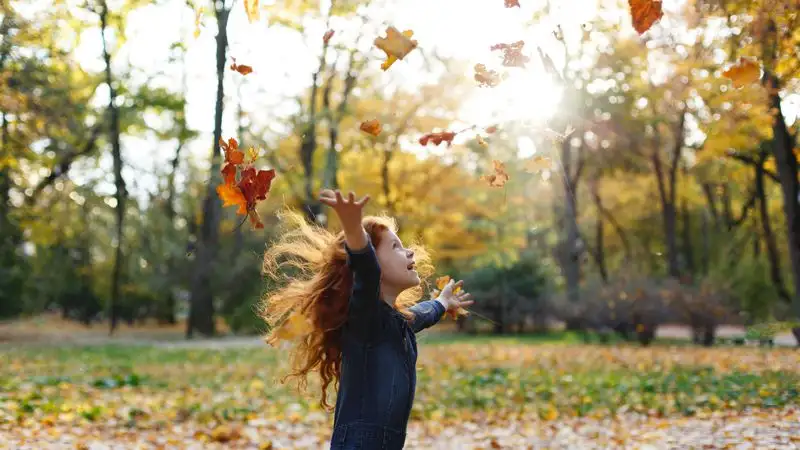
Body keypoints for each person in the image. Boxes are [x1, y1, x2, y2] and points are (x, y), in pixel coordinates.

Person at [260, 189, 473, 450]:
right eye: (396, 247)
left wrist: (443, 302)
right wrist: (354, 229)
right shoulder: (364, 318)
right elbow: (367, 268)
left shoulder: (396, 321)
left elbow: (424, 313)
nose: (409, 253)